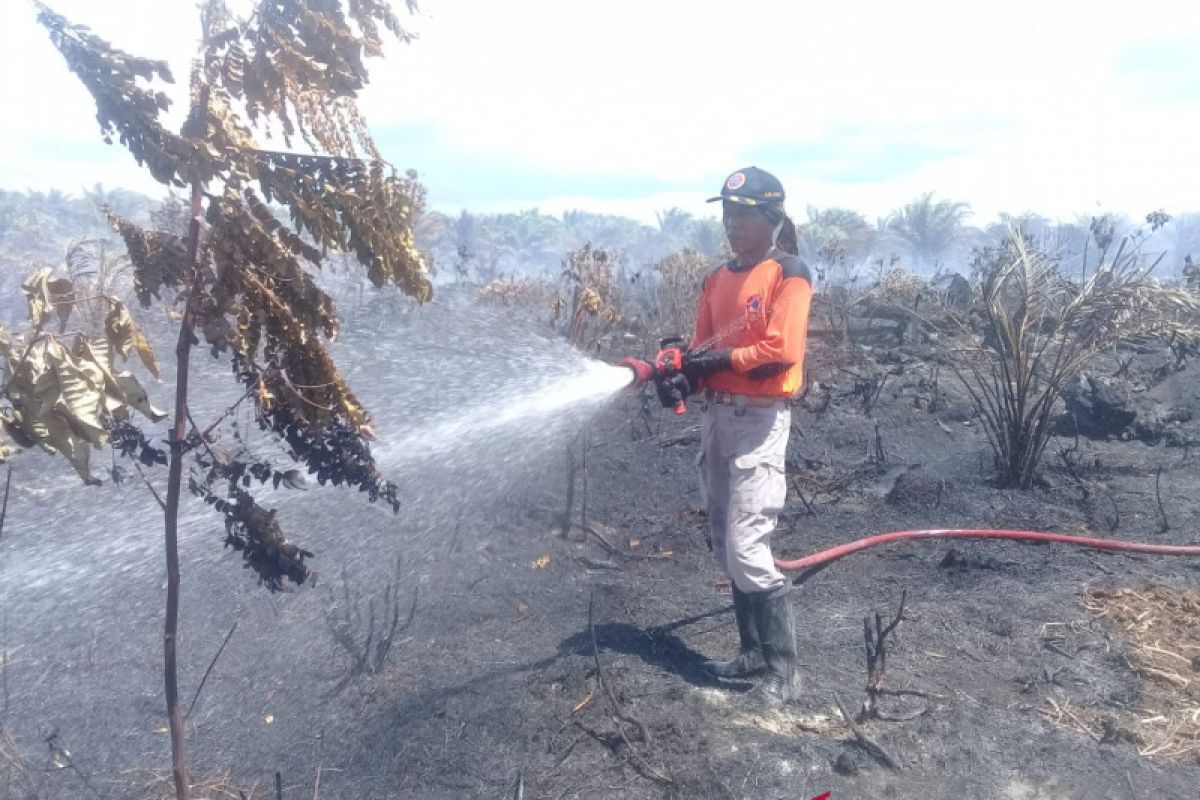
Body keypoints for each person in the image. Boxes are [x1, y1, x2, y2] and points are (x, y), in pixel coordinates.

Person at [659, 167, 813, 708]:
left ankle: (783, 672)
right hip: (718, 419)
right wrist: (681, 372)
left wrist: (718, 359)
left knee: (748, 547)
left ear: (770, 219)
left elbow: (778, 353)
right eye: (727, 214)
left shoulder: (788, 273)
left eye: (744, 214)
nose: (732, 224)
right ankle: (751, 652)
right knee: (726, 544)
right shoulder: (715, 280)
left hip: (759, 420)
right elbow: (701, 351)